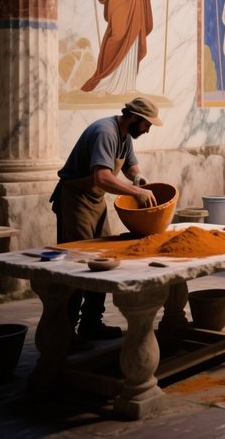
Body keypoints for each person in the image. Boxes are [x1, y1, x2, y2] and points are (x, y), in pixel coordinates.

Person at [50, 97, 161, 349]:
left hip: (95, 200)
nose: (148, 129)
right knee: (79, 263)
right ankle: (65, 333)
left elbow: (130, 166)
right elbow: (101, 177)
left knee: (102, 260)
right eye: (147, 124)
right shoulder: (105, 132)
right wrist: (136, 193)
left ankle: (91, 323)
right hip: (76, 199)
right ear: (133, 117)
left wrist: (138, 178)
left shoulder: (126, 137)